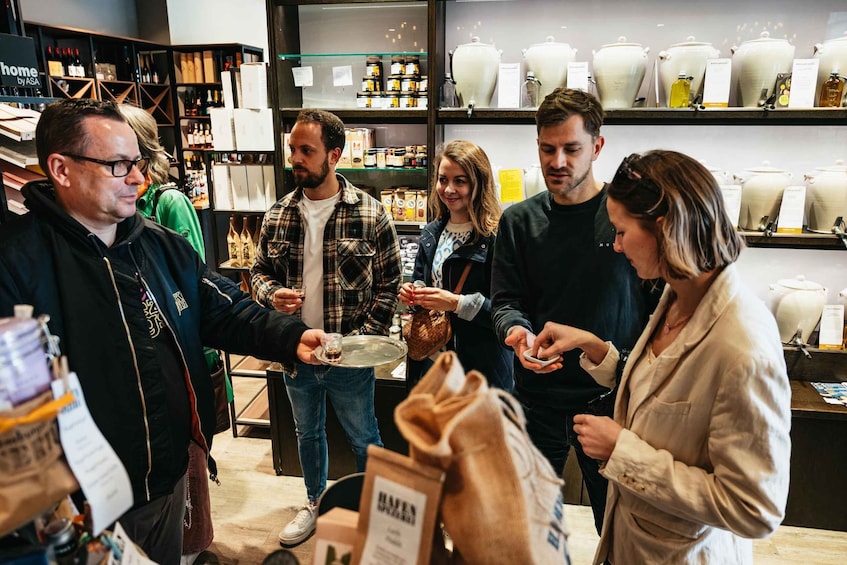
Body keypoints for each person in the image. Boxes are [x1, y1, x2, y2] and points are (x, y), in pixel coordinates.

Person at [0, 98, 324, 565]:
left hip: (166, 481)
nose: (138, 178)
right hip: (80, 508)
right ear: (61, 169)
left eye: (138, 163)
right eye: (118, 165)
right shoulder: (16, 265)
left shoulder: (159, 246)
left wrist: (291, 337)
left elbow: (225, 311)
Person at [532, 150, 791, 564]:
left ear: (664, 229)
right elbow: (667, 390)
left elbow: (755, 507)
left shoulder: (743, 345)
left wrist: (623, 451)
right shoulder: (677, 294)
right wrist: (595, 348)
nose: (616, 246)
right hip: (632, 544)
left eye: (620, 232)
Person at [490, 88, 659, 533]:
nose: (558, 161)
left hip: (611, 401)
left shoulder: (625, 218)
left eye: (571, 149)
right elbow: (505, 302)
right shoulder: (518, 221)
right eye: (548, 149)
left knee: (620, 528)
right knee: (529, 525)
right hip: (535, 398)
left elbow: (653, 306)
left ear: (597, 147)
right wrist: (517, 334)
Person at [250, 109, 402, 547]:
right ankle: (315, 503)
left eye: (306, 150)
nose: (295, 158)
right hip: (297, 350)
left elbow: (391, 281)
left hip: (349, 354)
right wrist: (271, 295)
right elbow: (259, 272)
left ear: (334, 155)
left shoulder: (371, 214)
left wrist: (364, 341)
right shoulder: (278, 214)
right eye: (292, 149)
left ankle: (373, 511)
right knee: (307, 432)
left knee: (364, 435)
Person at [118, 103, 217, 564]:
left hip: (176, 345)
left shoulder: (168, 203)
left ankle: (192, 546)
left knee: (188, 462)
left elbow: (192, 281)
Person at [398, 139, 512, 391]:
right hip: (433, 364)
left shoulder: (496, 237)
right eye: (442, 180)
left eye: (460, 181)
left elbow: (508, 311)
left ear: (478, 184)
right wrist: (414, 292)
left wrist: (455, 303)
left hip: (480, 369)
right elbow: (423, 280)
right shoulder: (431, 232)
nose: (448, 189)